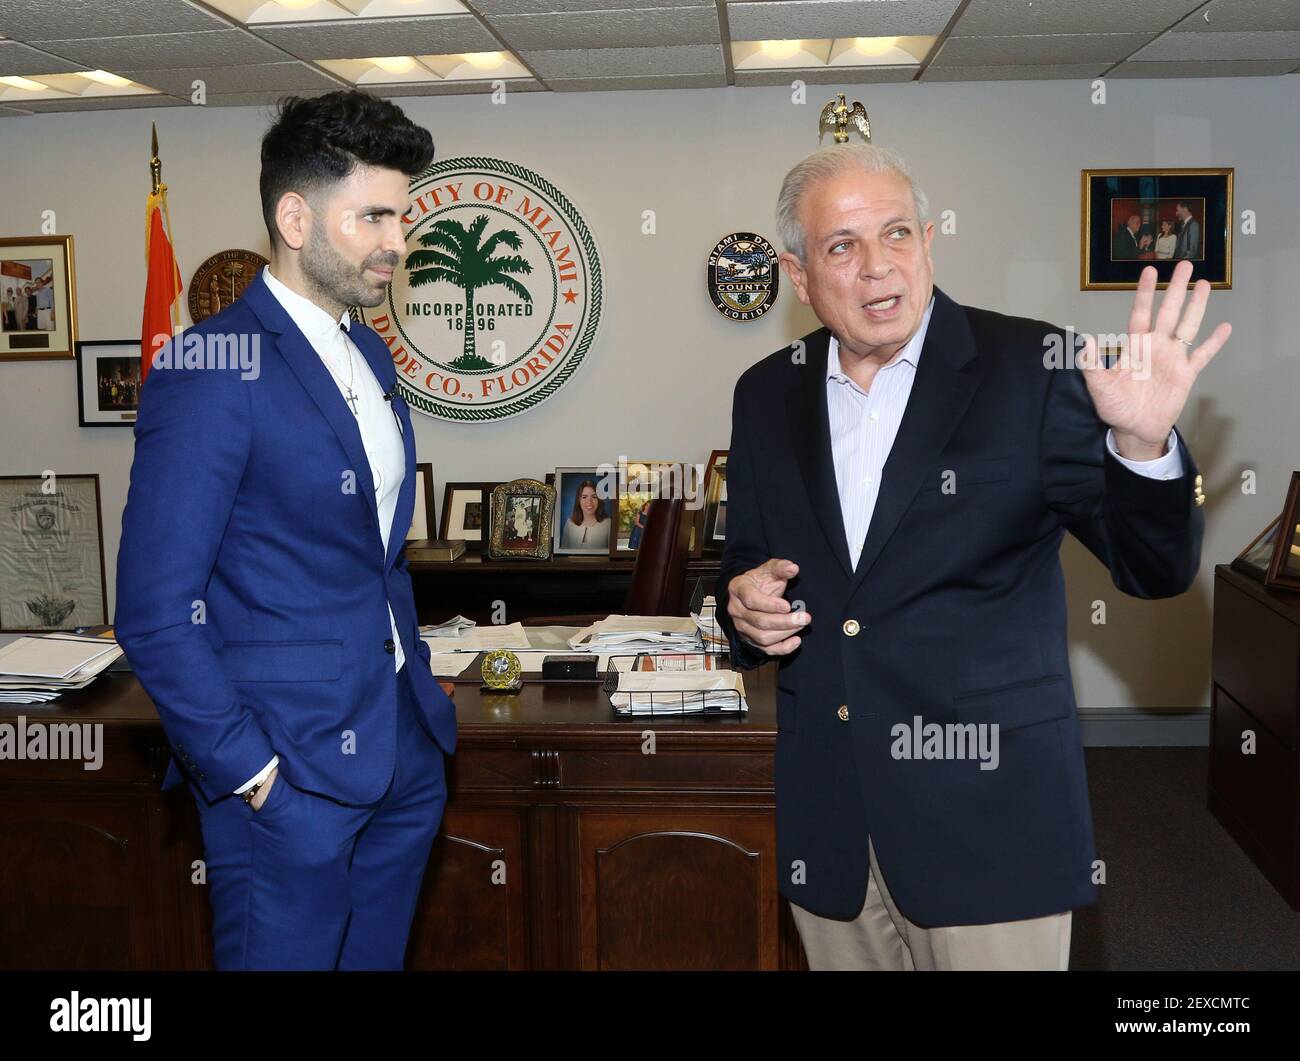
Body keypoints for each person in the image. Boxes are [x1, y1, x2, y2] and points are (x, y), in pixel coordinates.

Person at [714, 143, 1229, 971]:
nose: (879, 267)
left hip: (991, 821)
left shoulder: (1031, 369)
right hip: (831, 825)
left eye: (897, 235)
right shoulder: (766, 392)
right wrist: (742, 606)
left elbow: (1153, 569)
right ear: (799, 274)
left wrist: (1143, 444)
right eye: (842, 246)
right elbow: (745, 569)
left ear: (928, 240)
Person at [115, 90, 455, 971]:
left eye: (402, 214)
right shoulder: (207, 365)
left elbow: (369, 557)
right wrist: (256, 778)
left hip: (401, 758)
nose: (397, 241)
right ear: (295, 217)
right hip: (285, 779)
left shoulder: (369, 351)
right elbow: (154, 612)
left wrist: (416, 715)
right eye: (374, 215)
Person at [560, 479, 611, 550]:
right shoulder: (569, 523)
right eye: (584, 497)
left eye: (594, 497)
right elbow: (563, 556)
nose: (589, 501)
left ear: (599, 500)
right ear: (579, 500)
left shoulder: (608, 524)